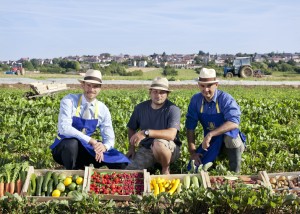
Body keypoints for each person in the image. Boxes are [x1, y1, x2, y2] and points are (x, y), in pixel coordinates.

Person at [50, 69, 130, 170]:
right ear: (83, 85)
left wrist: (103, 147)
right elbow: (64, 128)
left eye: (95, 86)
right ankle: (72, 172)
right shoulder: (69, 100)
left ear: (100, 88)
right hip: (63, 148)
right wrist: (91, 140)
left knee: (121, 161)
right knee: (72, 143)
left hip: (85, 148)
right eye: (88, 85)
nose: (91, 89)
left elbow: (109, 138)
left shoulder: (103, 109)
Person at [185, 68, 246, 173]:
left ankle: (235, 172)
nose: (206, 89)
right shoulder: (196, 100)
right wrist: (193, 152)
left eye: (209, 86)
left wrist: (210, 134)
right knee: (193, 168)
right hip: (211, 142)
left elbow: (234, 122)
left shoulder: (225, 99)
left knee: (231, 139)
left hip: (226, 139)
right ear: (198, 85)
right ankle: (213, 161)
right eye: (202, 86)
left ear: (216, 85)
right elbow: (190, 126)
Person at [126, 77, 181, 174]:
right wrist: (131, 148)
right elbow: (131, 128)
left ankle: (165, 168)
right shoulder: (140, 108)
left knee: (158, 143)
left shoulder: (173, 109)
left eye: (162, 92)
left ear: (167, 94)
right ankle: (153, 163)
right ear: (150, 92)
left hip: (169, 148)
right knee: (129, 171)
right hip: (147, 148)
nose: (158, 95)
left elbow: (171, 135)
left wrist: (146, 132)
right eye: (155, 92)